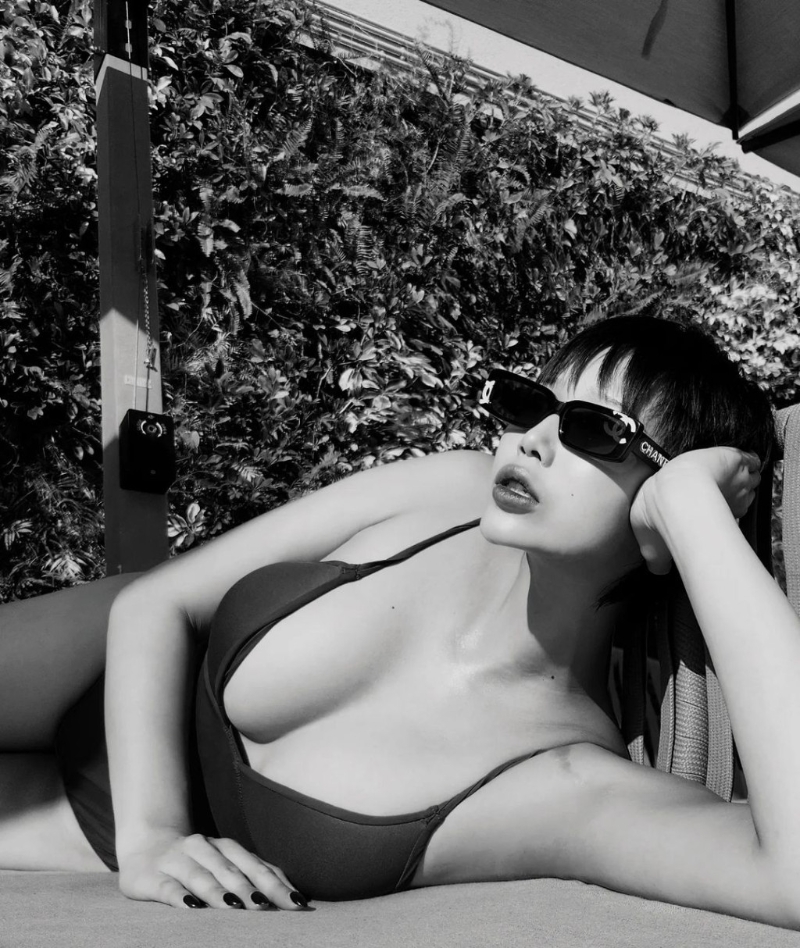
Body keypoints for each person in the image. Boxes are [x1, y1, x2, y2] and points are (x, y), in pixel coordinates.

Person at [1, 315, 794, 927]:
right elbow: (157, 602)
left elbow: (790, 877)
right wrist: (153, 834)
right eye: (533, 405)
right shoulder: (450, 492)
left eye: (594, 430)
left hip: (100, 828)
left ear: (662, 517)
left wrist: (695, 513)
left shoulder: (563, 783)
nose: (531, 441)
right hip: (108, 666)